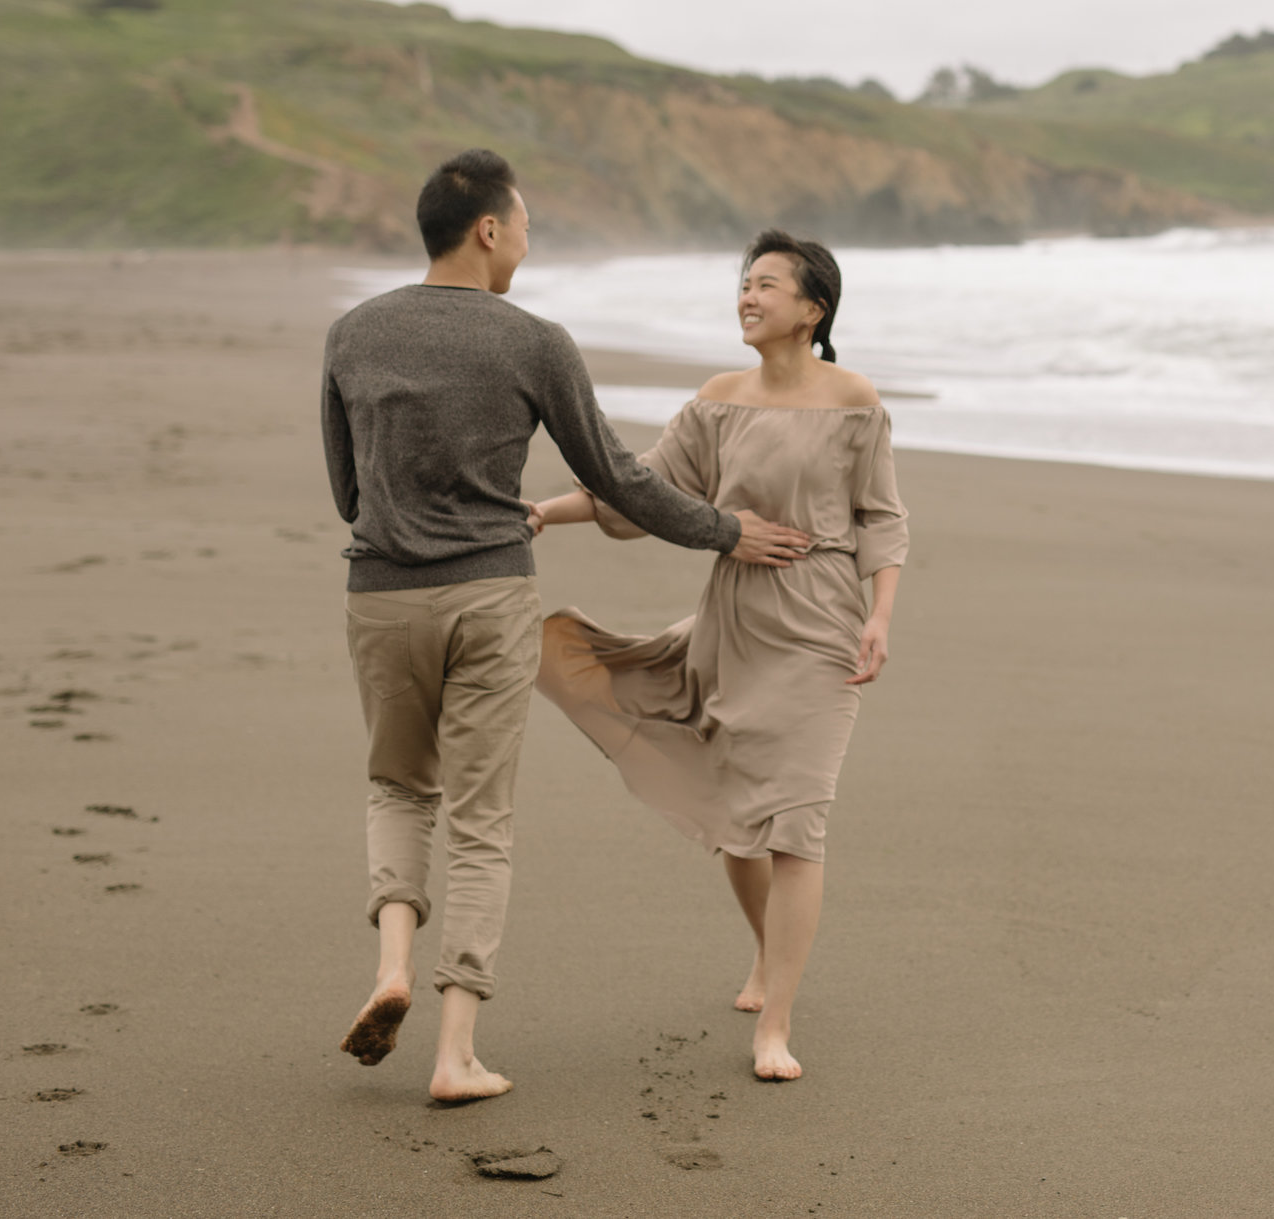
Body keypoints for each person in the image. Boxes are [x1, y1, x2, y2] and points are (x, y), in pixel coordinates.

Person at [320, 150, 812, 1103]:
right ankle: (456, 1052)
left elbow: (348, 492)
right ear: (489, 230)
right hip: (489, 595)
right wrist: (726, 530)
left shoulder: (352, 332)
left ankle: (392, 964)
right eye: (527, 225)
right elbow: (623, 478)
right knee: (481, 818)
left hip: (380, 596)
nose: (530, 243)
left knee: (396, 783)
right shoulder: (535, 340)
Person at [528, 229, 906, 1083]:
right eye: (744, 282)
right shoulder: (719, 398)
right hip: (731, 625)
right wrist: (547, 511)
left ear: (813, 308)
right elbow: (642, 486)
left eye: (767, 284)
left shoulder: (855, 399)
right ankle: (768, 952)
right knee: (741, 823)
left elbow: (882, 516)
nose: (748, 295)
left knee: (798, 823)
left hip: (822, 626)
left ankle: (775, 1024)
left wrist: (881, 614)